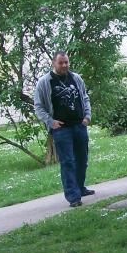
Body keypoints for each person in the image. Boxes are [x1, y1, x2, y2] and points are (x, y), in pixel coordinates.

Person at [33, 51, 94, 208]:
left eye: (66, 62)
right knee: (68, 162)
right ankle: (73, 197)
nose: (65, 65)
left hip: (79, 125)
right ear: (53, 63)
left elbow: (85, 98)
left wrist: (87, 117)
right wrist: (50, 121)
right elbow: (38, 106)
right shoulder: (45, 82)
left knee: (82, 160)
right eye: (61, 63)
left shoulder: (76, 78)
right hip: (61, 129)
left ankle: (80, 188)